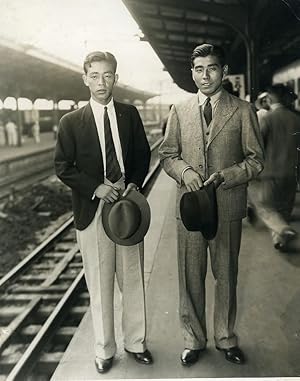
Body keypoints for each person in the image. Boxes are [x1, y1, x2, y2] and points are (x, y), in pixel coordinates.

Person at [159, 43, 264, 366]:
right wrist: (185, 171)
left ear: (224, 71)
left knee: (226, 276)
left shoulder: (243, 110)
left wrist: (226, 175)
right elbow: (167, 155)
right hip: (191, 209)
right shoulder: (179, 110)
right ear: (192, 73)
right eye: (199, 69)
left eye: (212, 68)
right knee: (190, 276)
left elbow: (256, 160)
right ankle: (193, 339)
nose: (205, 75)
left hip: (228, 206)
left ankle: (226, 338)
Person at [54, 51, 152, 374]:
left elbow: (142, 153)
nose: (101, 82)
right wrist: (96, 186)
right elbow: (62, 166)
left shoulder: (129, 114)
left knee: (132, 279)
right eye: (94, 76)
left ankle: (136, 343)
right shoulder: (70, 122)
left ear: (116, 78)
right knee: (99, 283)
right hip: (93, 209)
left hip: (126, 207)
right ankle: (104, 349)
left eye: (107, 75)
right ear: (85, 79)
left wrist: (134, 184)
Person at [248, 84, 300, 250]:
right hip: (292, 172)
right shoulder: (296, 118)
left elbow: (258, 144)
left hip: (271, 172)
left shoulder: (267, 119)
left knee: (265, 206)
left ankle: (281, 229)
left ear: (269, 99)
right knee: (284, 208)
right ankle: (280, 241)